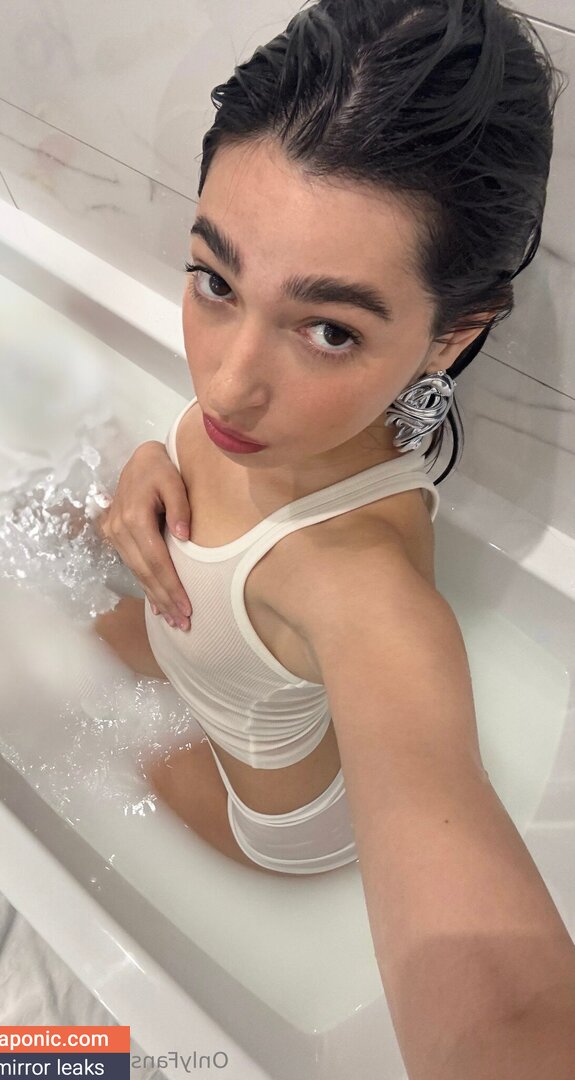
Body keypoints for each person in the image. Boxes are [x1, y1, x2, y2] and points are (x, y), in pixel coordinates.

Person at [94, 1, 575, 1075]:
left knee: (48, 702)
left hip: (270, 824)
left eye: (328, 330)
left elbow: (505, 1014)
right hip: (221, 664)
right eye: (215, 280)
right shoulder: (267, 415)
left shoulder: (366, 595)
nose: (225, 385)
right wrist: (150, 461)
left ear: (451, 335)